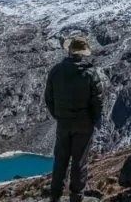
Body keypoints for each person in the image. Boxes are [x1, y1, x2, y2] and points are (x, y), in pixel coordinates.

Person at [45, 36, 104, 202]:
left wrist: (58, 115)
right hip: (84, 124)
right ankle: (76, 197)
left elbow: (49, 98)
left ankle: (54, 196)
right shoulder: (90, 73)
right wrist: (92, 120)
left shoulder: (56, 71)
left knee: (60, 160)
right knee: (79, 162)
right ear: (82, 53)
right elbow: (98, 101)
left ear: (69, 50)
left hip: (63, 123)